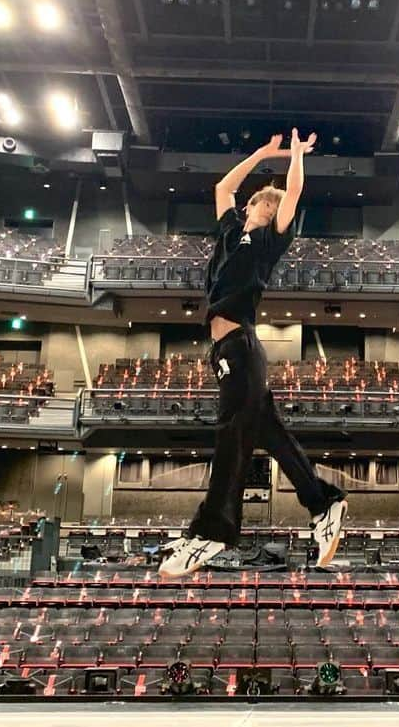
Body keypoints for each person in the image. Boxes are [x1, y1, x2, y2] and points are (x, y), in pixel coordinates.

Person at [159, 129, 348, 579]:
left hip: (241, 344)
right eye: (268, 202)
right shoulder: (229, 231)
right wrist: (263, 153)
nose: (274, 207)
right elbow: (223, 187)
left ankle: (211, 530)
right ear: (252, 206)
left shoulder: (269, 242)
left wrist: (297, 156)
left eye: (277, 206)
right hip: (225, 346)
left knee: (231, 434)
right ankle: (324, 503)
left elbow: (295, 191)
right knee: (269, 433)